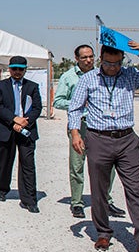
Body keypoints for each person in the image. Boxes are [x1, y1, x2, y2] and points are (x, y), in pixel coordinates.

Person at [68, 42, 139, 252]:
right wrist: (76, 134)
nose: (112, 68)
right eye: (108, 63)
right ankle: (103, 232)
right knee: (100, 190)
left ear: (123, 60)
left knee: (135, 189)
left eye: (117, 63)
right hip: (98, 139)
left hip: (127, 140)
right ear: (100, 59)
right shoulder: (88, 79)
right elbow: (74, 108)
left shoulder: (130, 75)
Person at [53, 44, 125, 219]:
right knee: (77, 165)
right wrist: (78, 102)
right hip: (80, 125)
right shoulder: (68, 77)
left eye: (91, 56)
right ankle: (77, 202)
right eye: (84, 57)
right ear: (76, 59)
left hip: (103, 126)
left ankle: (106, 200)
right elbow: (58, 101)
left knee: (108, 165)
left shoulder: (103, 74)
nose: (88, 60)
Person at [0, 56, 42, 213]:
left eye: (21, 69)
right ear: (9, 69)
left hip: (27, 129)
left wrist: (26, 122)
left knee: (28, 164)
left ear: (25, 70)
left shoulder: (32, 86)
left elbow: (37, 107)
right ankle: (2, 189)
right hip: (6, 128)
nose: (17, 72)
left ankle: (29, 199)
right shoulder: (0, 86)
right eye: (15, 69)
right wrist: (14, 121)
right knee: (4, 161)